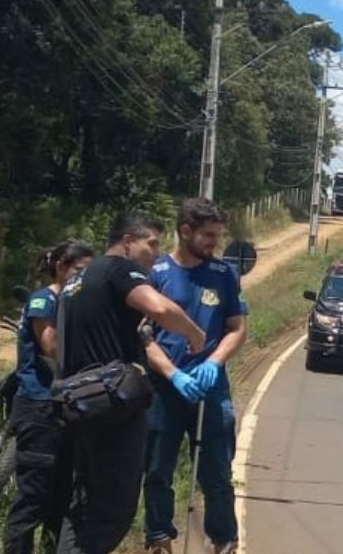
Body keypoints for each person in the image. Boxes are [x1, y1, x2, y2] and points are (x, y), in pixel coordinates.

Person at [53, 211, 206, 554]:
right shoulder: (119, 269)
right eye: (151, 243)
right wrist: (194, 333)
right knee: (115, 509)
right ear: (127, 241)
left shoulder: (78, 281)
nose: (156, 251)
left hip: (79, 404)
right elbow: (160, 309)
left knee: (83, 504)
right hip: (113, 405)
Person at [142, 199, 247, 554]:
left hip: (210, 388)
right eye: (208, 235)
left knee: (217, 473)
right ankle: (158, 537)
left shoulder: (223, 275)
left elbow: (237, 328)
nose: (215, 242)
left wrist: (215, 362)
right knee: (158, 469)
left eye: (218, 235)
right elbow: (142, 338)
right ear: (185, 232)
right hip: (164, 387)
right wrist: (172, 375)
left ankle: (223, 540)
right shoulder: (155, 274)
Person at [3, 239, 95, 554]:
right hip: (40, 407)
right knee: (33, 498)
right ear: (60, 267)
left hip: (65, 407)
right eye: (79, 271)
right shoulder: (44, 301)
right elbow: (52, 349)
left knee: (62, 496)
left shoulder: (73, 302)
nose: (83, 279)